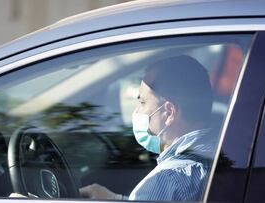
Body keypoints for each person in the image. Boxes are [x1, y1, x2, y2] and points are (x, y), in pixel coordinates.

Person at [80, 55, 216, 201]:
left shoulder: (166, 179)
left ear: (169, 112)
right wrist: (118, 199)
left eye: (143, 102)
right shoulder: (219, 154)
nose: (137, 111)